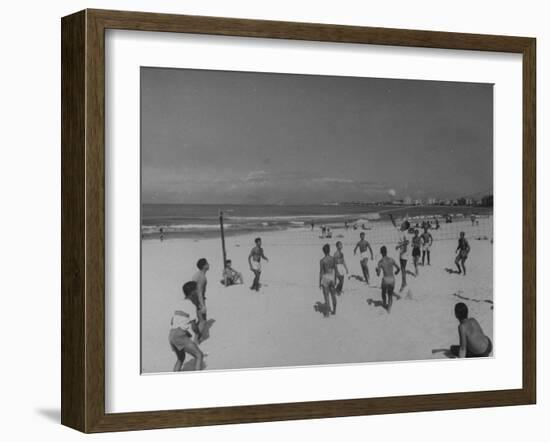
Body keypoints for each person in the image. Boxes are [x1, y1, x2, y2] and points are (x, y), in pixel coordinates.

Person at [169, 281, 205, 371]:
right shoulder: (191, 306)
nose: (199, 292)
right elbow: (194, 327)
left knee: (180, 359)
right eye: (197, 291)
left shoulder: (179, 303)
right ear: (193, 293)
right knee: (199, 355)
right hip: (179, 335)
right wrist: (199, 334)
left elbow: (172, 321)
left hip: (171, 335)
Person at [375, 246, 400, 312]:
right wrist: (396, 272)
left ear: (381, 253)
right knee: (390, 294)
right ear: (386, 252)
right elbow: (398, 268)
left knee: (383, 293)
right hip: (392, 279)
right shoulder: (391, 259)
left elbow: (378, 274)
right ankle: (389, 308)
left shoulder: (380, 262)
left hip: (385, 280)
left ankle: (384, 303)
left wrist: (376, 270)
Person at [191, 258, 209, 342]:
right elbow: (199, 292)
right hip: (198, 300)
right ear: (204, 266)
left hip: (193, 299)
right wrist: (202, 305)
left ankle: (196, 338)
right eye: (207, 263)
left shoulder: (197, 274)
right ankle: (195, 341)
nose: (209, 264)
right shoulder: (202, 277)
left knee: (199, 319)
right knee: (203, 321)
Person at [319, 244, 337, 316]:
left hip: (325, 277)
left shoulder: (322, 260)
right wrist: (335, 279)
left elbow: (321, 272)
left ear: (323, 251)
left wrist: (319, 282)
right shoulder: (333, 259)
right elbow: (335, 270)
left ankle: (327, 313)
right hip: (331, 276)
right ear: (329, 250)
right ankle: (334, 311)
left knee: (326, 296)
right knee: (333, 295)